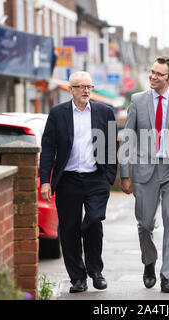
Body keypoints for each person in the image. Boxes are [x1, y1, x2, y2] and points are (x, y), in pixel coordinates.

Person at [120, 56, 169, 293]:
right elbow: (128, 137)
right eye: (151, 72)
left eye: (158, 74)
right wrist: (125, 174)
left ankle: (166, 276)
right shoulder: (138, 100)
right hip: (145, 169)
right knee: (144, 224)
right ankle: (149, 260)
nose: (152, 76)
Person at [39, 71, 118, 294]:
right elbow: (48, 150)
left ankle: (96, 270)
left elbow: (112, 146)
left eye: (89, 86)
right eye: (81, 87)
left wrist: (109, 176)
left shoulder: (105, 112)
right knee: (69, 229)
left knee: (93, 222)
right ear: (70, 89)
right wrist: (46, 181)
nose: (86, 91)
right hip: (68, 181)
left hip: (96, 178)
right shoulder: (57, 114)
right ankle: (78, 278)